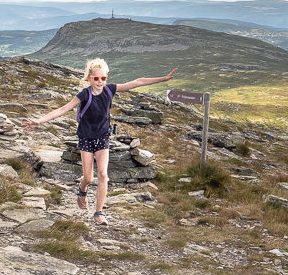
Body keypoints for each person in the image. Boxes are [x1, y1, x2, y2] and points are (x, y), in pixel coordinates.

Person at [22, 58, 178, 226]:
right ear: (89, 78)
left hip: (103, 137)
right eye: (96, 78)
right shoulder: (84, 94)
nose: (100, 82)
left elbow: (137, 82)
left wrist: (163, 79)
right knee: (88, 178)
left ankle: (99, 213)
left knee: (103, 174)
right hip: (86, 138)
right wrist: (39, 121)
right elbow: (62, 109)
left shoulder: (110, 90)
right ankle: (82, 190)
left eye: (103, 78)